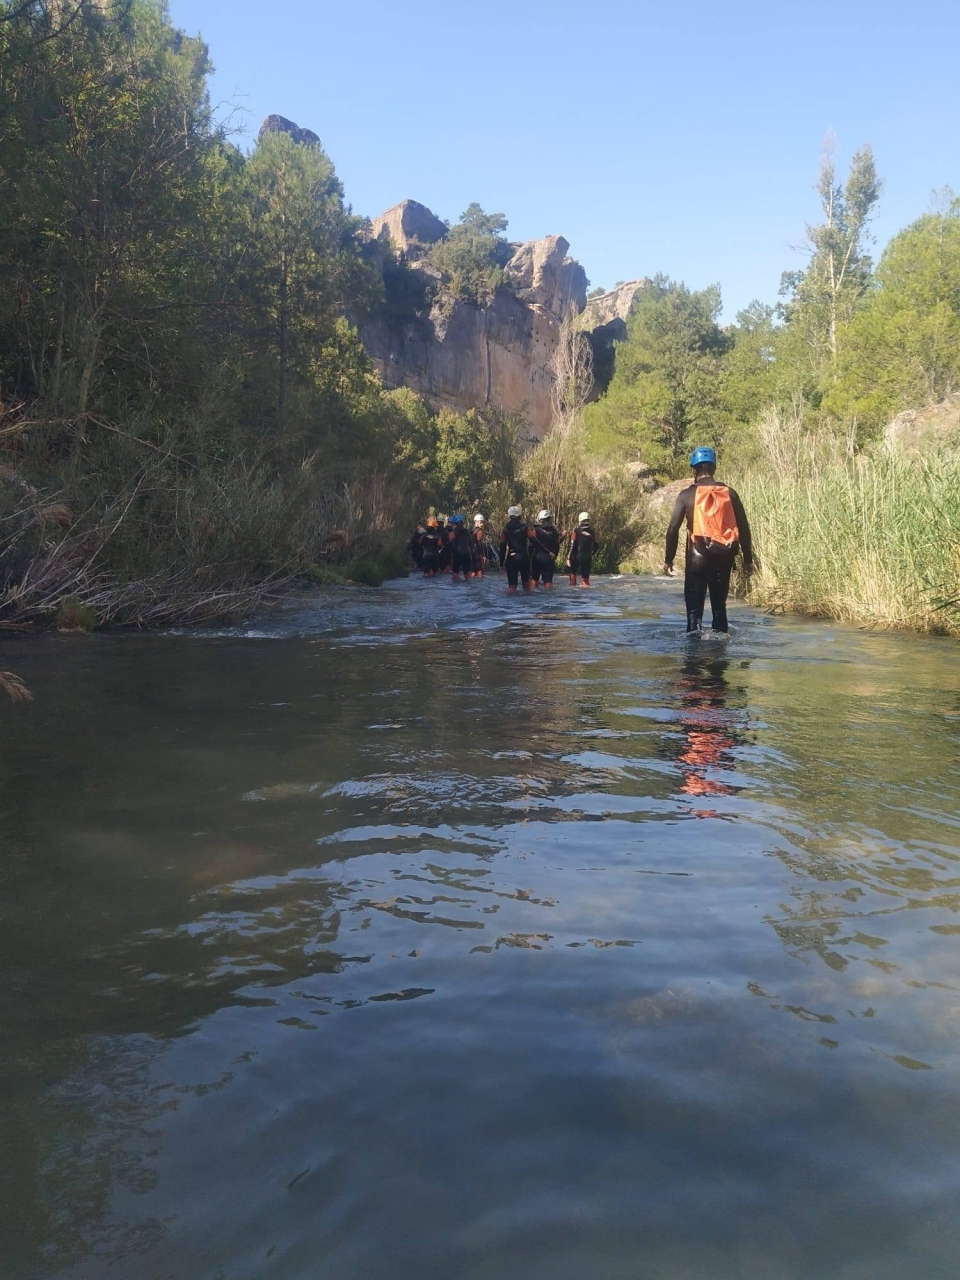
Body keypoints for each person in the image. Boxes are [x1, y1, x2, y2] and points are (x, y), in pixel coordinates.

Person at [663, 446, 753, 634]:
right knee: (719, 610)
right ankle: (720, 660)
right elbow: (743, 528)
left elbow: (672, 530)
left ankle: (693, 658)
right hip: (723, 558)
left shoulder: (686, 495)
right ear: (714, 469)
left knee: (694, 614)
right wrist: (747, 560)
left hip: (697, 559)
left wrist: (669, 559)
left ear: (694, 470)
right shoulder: (730, 493)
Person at [500, 505, 532, 593]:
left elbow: (502, 547)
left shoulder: (505, 530)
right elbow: (534, 541)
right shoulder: (525, 528)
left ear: (509, 515)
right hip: (524, 557)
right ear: (519, 515)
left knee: (512, 587)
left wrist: (501, 563)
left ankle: (510, 605)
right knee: (527, 586)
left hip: (511, 558)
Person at [529, 509, 560, 588]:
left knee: (534, 580)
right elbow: (557, 545)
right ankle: (549, 599)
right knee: (548, 582)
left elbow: (533, 544)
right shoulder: (555, 532)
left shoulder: (536, 530)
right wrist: (554, 556)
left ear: (541, 520)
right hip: (549, 559)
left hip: (537, 557)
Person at [567, 512, 599, 587]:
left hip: (576, 557)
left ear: (580, 521)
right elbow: (597, 546)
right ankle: (586, 597)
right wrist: (592, 554)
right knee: (586, 581)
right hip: (587, 558)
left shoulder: (576, 531)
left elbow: (572, 545)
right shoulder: (592, 532)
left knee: (573, 578)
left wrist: (568, 558)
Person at [449, 514, 474, 581]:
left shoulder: (454, 531)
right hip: (467, 553)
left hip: (458, 553)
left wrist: (451, 552)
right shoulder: (467, 532)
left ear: (456, 523)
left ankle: (457, 588)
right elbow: (471, 543)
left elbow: (450, 542)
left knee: (455, 573)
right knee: (467, 573)